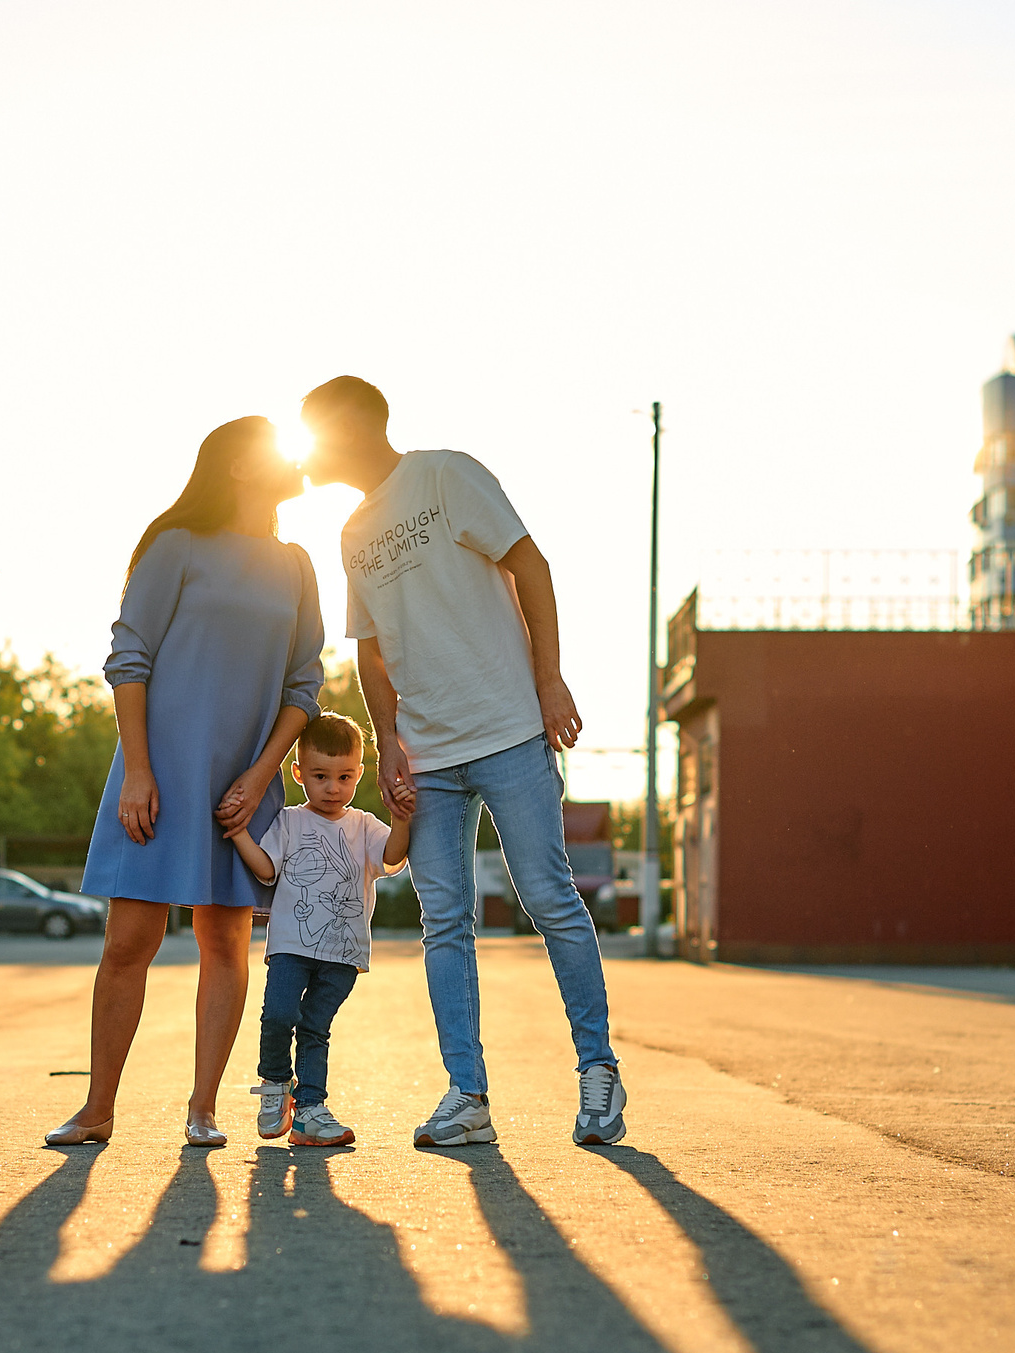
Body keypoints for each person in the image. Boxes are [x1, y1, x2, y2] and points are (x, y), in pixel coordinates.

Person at [296, 376, 629, 1147]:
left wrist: (549, 679)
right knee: (444, 923)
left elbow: (531, 565)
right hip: (429, 757)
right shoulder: (351, 533)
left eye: (315, 429)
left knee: (548, 897)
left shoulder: (445, 474)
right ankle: (467, 1094)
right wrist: (388, 743)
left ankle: (598, 1071)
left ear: (353, 424)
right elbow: (371, 651)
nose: (307, 448)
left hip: (508, 730)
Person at [47, 417, 323, 1149]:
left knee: (225, 944)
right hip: (160, 776)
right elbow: (128, 658)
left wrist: (260, 777)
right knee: (128, 941)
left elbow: (304, 684)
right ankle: (97, 1108)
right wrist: (138, 770)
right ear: (238, 465)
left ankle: (203, 1110)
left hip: (244, 784)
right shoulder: (176, 545)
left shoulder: (297, 565)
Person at [225, 712, 412, 1148]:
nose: (333, 788)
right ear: (299, 773)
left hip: (343, 953)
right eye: (320, 776)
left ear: (359, 774)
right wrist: (238, 834)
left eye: (344, 777)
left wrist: (401, 817)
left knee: (314, 1027)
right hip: (291, 947)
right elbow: (266, 868)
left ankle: (309, 1110)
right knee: (278, 1016)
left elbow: (391, 856)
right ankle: (275, 1085)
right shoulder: (289, 821)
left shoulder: (364, 825)